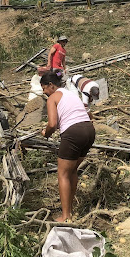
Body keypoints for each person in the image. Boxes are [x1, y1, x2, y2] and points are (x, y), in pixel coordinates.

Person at [41, 70, 96, 222]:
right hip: (89, 130)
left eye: (44, 88)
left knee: (63, 174)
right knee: (71, 171)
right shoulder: (72, 93)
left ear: (51, 85)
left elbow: (52, 124)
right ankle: (69, 211)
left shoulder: (53, 97)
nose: (44, 93)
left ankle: (65, 216)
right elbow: (88, 114)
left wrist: (46, 133)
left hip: (73, 133)